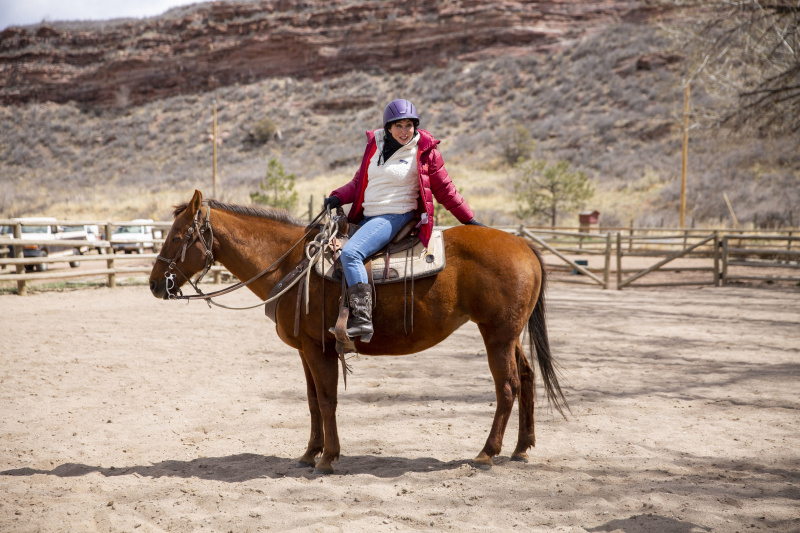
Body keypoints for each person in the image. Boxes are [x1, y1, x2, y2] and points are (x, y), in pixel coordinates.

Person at [324, 98, 483, 342]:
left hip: (395, 216)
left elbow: (445, 190)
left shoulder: (425, 152)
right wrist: (337, 197)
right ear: (387, 127)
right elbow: (359, 183)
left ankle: (363, 319)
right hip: (369, 216)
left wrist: (469, 220)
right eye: (398, 125)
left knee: (351, 254)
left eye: (409, 125)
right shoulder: (374, 147)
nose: (404, 131)